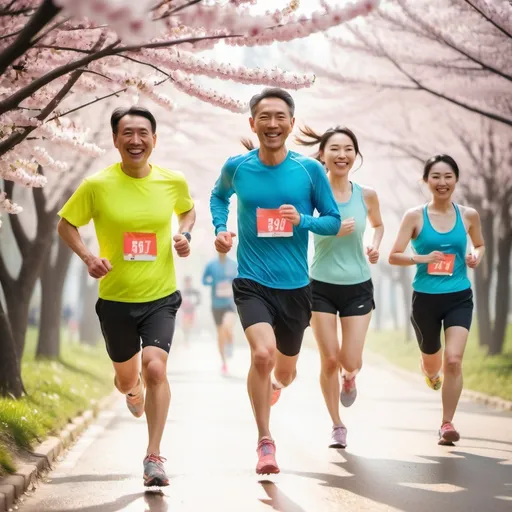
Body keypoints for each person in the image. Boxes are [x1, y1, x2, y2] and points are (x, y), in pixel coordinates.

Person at [57, 106, 195, 486]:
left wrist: (184, 236)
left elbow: (188, 212)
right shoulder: (97, 185)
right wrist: (88, 257)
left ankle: (154, 457)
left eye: (143, 133)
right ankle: (131, 390)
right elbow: (65, 224)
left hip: (160, 296)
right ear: (116, 140)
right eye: (127, 134)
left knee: (156, 368)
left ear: (154, 138)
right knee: (126, 379)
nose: (136, 141)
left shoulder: (172, 181)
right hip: (116, 298)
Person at [210, 87, 341, 475]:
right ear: (253, 123)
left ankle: (277, 387)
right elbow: (219, 197)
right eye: (264, 117)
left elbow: (332, 221)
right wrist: (221, 228)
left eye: (279, 117)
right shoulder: (237, 166)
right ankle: (265, 441)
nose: (272, 124)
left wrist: (305, 220)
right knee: (262, 355)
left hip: (296, 287)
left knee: (284, 371)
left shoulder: (309, 170)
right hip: (251, 281)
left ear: (291, 123)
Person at [295, 126, 384, 449]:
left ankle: (350, 376)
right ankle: (336, 424)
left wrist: (374, 245)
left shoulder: (367, 194)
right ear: (323, 155)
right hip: (320, 285)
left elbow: (377, 224)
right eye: (334, 149)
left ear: (355, 155)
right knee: (329, 358)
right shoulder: (312, 195)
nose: (341, 155)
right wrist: (328, 227)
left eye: (348, 149)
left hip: (358, 285)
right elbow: (300, 225)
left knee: (350, 360)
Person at [389, 154, 485, 445]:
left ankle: (446, 423)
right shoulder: (414, 216)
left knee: (453, 360)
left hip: (458, 297)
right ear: (426, 180)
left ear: (456, 179)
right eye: (436, 177)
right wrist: (421, 258)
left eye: (448, 177)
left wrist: (474, 257)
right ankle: (429, 371)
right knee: (434, 365)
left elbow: (479, 244)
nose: (442, 183)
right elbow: (394, 255)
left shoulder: (468, 215)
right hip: (425, 300)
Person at [202, 252, 238, 374]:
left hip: (229, 303)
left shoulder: (233, 264)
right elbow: (204, 280)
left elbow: (240, 279)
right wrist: (213, 282)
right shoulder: (211, 265)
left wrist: (232, 284)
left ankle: (230, 345)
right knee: (220, 334)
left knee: (227, 326)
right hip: (216, 304)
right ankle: (224, 363)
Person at [180, 275, 201, 344]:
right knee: (185, 325)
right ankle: (186, 339)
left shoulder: (194, 291)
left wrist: (195, 304)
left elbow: (199, 299)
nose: (187, 283)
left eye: (188, 282)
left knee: (190, 325)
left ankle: (189, 339)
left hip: (191, 310)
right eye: (186, 282)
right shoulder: (182, 291)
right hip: (184, 311)